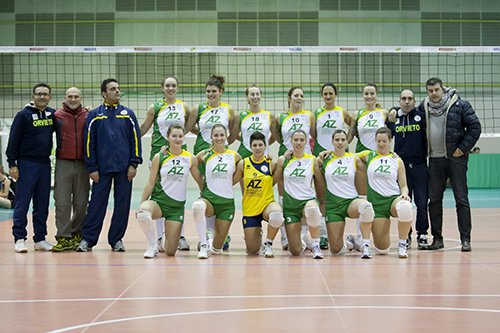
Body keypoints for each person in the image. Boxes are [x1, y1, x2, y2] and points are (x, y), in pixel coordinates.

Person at [76, 78, 142, 252]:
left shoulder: (128, 114)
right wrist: (92, 168)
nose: (117, 91)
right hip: (101, 170)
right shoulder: (95, 115)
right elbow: (88, 143)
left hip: (124, 169)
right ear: (104, 94)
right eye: (113, 89)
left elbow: (135, 140)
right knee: (96, 204)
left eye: (118, 88)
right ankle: (88, 240)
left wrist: (133, 163)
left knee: (122, 205)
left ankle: (116, 240)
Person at [417, 77, 481, 252]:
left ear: (442, 89)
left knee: (461, 199)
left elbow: (475, 127)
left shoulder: (460, 105)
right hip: (435, 160)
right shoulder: (424, 107)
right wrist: (393, 111)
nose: (434, 93)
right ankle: (437, 239)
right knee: (435, 201)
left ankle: (465, 240)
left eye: (436, 90)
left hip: (456, 159)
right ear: (427, 91)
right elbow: (408, 114)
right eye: (430, 91)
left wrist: (462, 149)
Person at [139, 76, 193, 252]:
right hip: (159, 155)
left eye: (174, 86)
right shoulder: (154, 107)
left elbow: (191, 128)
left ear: (177, 88)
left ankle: (181, 236)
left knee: (178, 190)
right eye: (167, 85)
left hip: (179, 155)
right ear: (162, 88)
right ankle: (160, 236)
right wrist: (125, 138)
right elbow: (143, 129)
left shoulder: (183, 107)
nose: (170, 88)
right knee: (159, 194)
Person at [185, 74, 237, 250]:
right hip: (203, 154)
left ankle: (222, 234)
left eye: (214, 91)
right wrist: (201, 134)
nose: (210, 94)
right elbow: (187, 128)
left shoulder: (228, 110)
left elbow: (233, 132)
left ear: (221, 91)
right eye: (208, 91)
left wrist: (222, 141)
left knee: (220, 190)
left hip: (221, 154)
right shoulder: (198, 109)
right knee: (205, 193)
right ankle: (208, 235)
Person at [137, 124, 203, 258]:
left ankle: (164, 239)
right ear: (167, 137)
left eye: (180, 136)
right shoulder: (159, 157)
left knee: (170, 252)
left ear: (184, 138)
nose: (177, 139)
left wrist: (205, 195)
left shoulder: (189, 158)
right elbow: (150, 183)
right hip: (159, 202)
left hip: (176, 209)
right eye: (174, 136)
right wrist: (141, 203)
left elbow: (200, 181)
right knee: (143, 213)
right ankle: (152, 245)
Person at [6, 83, 56, 253]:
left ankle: (40, 239)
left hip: (44, 164)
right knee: (22, 202)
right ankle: (19, 238)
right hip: (26, 163)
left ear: (49, 97)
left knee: (42, 204)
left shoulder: (52, 114)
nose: (42, 96)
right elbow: (13, 140)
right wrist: (12, 164)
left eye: (45, 94)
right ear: (33, 96)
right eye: (39, 94)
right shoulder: (23, 115)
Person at [316, 130, 375, 258]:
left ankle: (365, 245)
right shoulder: (323, 159)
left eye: (343, 140)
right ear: (332, 142)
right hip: (333, 207)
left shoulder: (354, 158)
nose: (340, 142)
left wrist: (392, 155)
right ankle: (350, 243)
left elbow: (375, 155)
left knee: (366, 207)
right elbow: (306, 160)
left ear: (347, 142)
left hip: (350, 203)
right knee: (335, 250)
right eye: (337, 140)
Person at [271, 86, 316, 250]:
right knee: (283, 198)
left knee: (305, 195)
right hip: (287, 157)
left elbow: (314, 136)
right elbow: (278, 137)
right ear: (289, 98)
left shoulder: (309, 115)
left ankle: (303, 235)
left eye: (301, 96)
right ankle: (284, 237)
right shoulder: (280, 117)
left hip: (305, 159)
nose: (299, 98)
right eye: (296, 95)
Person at [358, 127, 413, 258]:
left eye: (384, 141)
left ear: (390, 141)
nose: (381, 144)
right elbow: (345, 156)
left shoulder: (397, 160)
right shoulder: (368, 155)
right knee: (382, 250)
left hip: (393, 200)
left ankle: (402, 245)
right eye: (378, 141)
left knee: (405, 207)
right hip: (377, 205)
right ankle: (356, 241)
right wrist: (328, 152)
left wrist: (404, 193)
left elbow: (404, 185)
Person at [347, 83, 389, 251]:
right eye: (366, 93)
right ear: (362, 96)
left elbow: (391, 131)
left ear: (377, 95)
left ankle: (378, 235)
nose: (369, 96)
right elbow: (348, 138)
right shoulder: (357, 114)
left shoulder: (384, 113)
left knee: (378, 197)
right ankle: (360, 237)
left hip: (379, 160)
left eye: (372, 93)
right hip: (362, 160)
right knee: (362, 197)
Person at [191, 124, 242, 259]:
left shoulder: (235, 156)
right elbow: (190, 163)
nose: (219, 138)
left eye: (221, 135)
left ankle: (211, 240)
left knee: (217, 250)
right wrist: (201, 183)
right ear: (211, 137)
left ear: (226, 137)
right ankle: (203, 244)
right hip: (209, 200)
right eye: (216, 135)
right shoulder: (205, 154)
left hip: (226, 204)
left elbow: (241, 171)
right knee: (197, 207)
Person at [387, 89, 429, 250]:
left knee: (421, 201)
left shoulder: (421, 117)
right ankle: (407, 235)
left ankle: (423, 234)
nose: (406, 101)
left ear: (414, 101)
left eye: (409, 99)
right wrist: (393, 110)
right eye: (403, 99)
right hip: (401, 166)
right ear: (399, 102)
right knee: (405, 202)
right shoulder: (393, 118)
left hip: (419, 165)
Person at [274, 130, 324, 259]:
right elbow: (272, 180)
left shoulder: (312, 160)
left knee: (312, 209)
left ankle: (316, 245)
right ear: (290, 142)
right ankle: (303, 241)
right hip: (290, 207)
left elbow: (322, 179)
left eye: (302, 140)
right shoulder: (283, 160)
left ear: (306, 142)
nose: (298, 143)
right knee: (295, 251)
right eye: (295, 140)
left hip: (307, 200)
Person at [313, 83, 352, 250]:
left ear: (335, 95)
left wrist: (345, 143)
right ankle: (323, 235)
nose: (328, 96)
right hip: (321, 157)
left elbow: (353, 124)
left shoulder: (341, 112)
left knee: (335, 195)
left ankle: (340, 234)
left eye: (331, 93)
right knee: (321, 196)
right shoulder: (316, 113)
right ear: (322, 96)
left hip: (336, 158)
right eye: (325, 93)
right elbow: (313, 133)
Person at [233, 131, 283, 257]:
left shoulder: (271, 164)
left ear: (265, 146)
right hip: (250, 209)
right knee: (252, 251)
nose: (258, 148)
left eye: (260, 145)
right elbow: (232, 181)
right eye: (254, 145)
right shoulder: (243, 164)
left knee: (277, 215)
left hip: (267, 204)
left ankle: (268, 244)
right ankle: (256, 234)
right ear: (250, 147)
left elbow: (275, 181)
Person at [52, 87, 90, 252]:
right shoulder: (57, 116)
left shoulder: (89, 115)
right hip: (63, 163)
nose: (73, 99)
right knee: (62, 202)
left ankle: (76, 234)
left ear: (81, 98)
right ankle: (63, 237)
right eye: (70, 96)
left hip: (83, 164)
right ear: (65, 98)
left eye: (76, 96)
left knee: (81, 203)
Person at [235, 84, 275, 159]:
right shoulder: (240, 116)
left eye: (257, 94)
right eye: (252, 94)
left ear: (260, 96)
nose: (255, 97)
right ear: (247, 97)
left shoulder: (269, 115)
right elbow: (233, 136)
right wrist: (246, 141)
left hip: (263, 155)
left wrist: (262, 145)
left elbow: (276, 136)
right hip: (244, 154)